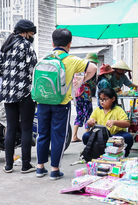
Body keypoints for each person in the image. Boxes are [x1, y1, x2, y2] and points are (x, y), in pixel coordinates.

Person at [36, 28, 97, 180]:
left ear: (52, 43)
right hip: (61, 102)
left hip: (42, 101)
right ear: (70, 44)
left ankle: (40, 168)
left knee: (42, 134)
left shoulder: (45, 58)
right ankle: (55, 170)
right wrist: (82, 80)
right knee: (58, 136)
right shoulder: (72, 60)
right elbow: (94, 68)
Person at [0, 19, 37, 174]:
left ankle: (8, 165)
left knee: (11, 128)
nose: (32, 36)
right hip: (24, 92)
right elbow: (34, 67)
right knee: (26, 129)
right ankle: (26, 165)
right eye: (31, 33)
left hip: (7, 93)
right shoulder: (26, 46)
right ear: (25, 32)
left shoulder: (6, 46)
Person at [82, 87, 133, 157]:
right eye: (100, 99)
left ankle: (124, 154)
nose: (102, 102)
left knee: (128, 137)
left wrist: (114, 122)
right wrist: (89, 122)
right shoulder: (97, 110)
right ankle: (94, 151)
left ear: (113, 99)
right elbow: (90, 122)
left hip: (115, 135)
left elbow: (127, 123)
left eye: (105, 99)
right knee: (86, 136)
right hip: (100, 136)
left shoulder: (118, 109)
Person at [71, 53, 99, 143]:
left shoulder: (79, 69)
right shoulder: (89, 71)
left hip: (77, 95)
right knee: (88, 115)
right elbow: (90, 84)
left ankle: (74, 136)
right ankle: (87, 137)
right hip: (86, 96)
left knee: (79, 114)